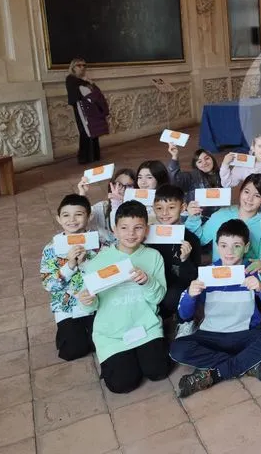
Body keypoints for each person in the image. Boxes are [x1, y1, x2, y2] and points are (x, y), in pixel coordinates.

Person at [170, 219, 261, 397]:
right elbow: (184, 314)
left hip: (244, 334)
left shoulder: (253, 271)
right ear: (217, 246)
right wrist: (191, 295)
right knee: (177, 349)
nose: (229, 252)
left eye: (236, 246)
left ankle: (213, 373)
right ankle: (247, 365)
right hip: (211, 335)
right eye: (223, 245)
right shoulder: (207, 273)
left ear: (246, 247)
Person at [77, 201, 170, 394]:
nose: (131, 233)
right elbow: (91, 305)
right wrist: (87, 301)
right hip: (112, 334)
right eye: (124, 228)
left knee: (158, 372)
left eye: (138, 228)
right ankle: (122, 358)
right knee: (122, 384)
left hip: (146, 327)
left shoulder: (153, 256)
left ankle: (143, 353)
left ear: (146, 229)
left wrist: (147, 281)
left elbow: (158, 297)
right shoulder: (97, 263)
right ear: (114, 230)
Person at [40, 194, 102, 361]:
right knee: (72, 351)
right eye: (66, 215)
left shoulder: (99, 243)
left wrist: (86, 262)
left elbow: (107, 273)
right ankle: (70, 333)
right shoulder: (51, 248)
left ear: (89, 216)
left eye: (79, 214)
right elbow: (48, 285)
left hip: (96, 303)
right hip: (67, 307)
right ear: (58, 219)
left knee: (100, 343)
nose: (72, 220)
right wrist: (70, 265)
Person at [185, 174, 261, 278]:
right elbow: (199, 240)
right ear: (240, 191)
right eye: (246, 192)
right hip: (220, 276)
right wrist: (194, 217)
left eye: (257, 195)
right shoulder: (220, 215)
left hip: (248, 280)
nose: (249, 199)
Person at [150, 185, 201, 320]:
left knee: (174, 296)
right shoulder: (148, 236)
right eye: (159, 208)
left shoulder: (191, 239)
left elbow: (193, 276)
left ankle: (182, 320)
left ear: (183, 207)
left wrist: (185, 260)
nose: (164, 213)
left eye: (171, 207)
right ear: (153, 208)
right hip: (151, 284)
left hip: (176, 288)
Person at [77, 167, 135, 245]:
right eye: (118, 184)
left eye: (129, 186)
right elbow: (81, 220)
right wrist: (82, 193)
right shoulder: (102, 207)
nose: (121, 189)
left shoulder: (140, 211)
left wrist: (117, 203)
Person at [66, 57, 107, 164]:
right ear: (73, 67)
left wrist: (91, 83)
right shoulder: (71, 79)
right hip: (81, 108)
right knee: (85, 131)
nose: (82, 68)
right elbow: (79, 94)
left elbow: (96, 92)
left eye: (84, 65)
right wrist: (86, 85)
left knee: (93, 130)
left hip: (91, 108)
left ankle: (95, 155)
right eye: (79, 65)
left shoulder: (85, 80)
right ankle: (85, 157)